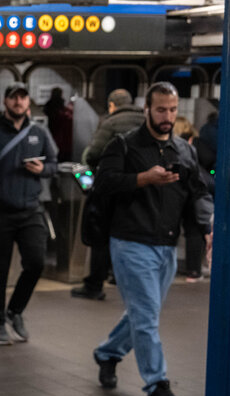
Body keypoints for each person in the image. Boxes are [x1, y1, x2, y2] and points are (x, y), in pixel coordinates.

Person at [89, 82, 213, 396]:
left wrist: (208, 228)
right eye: (161, 110)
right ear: (147, 109)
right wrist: (143, 178)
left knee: (143, 314)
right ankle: (157, 385)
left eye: (173, 110)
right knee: (146, 317)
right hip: (130, 243)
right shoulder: (124, 147)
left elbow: (198, 194)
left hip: (166, 246)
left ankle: (107, 353)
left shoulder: (184, 152)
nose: (167, 116)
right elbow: (103, 183)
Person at [0, 83, 58, 345]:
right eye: (13, 98)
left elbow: (53, 164)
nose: (18, 102)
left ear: (29, 102)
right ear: (5, 102)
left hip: (31, 210)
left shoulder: (39, 133)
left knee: (36, 262)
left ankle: (15, 311)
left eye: (22, 97)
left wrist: (43, 170)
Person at [72, 89, 145, 301]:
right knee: (131, 236)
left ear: (112, 104)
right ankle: (124, 279)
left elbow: (93, 154)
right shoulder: (146, 121)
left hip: (112, 188)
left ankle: (95, 284)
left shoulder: (111, 123)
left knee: (100, 235)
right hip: (141, 187)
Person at [173, 116, 209, 282]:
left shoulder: (168, 143)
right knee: (193, 230)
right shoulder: (194, 142)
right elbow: (209, 160)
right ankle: (193, 271)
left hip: (174, 190)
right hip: (193, 190)